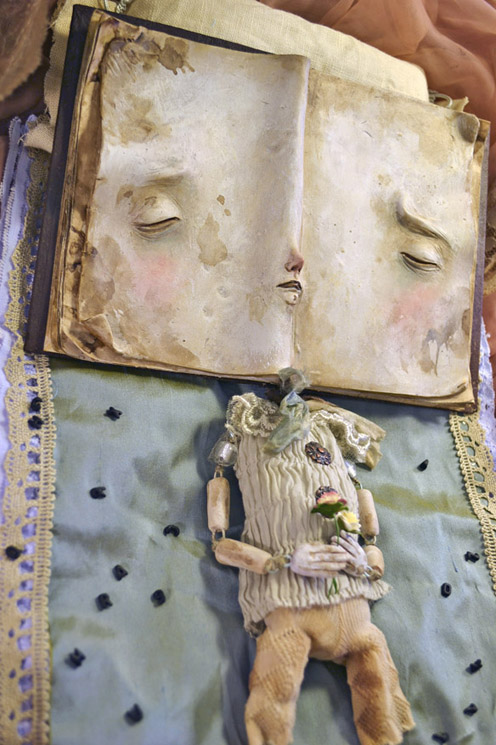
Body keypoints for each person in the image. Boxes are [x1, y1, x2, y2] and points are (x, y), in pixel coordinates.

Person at [207, 369, 414, 745]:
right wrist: (284, 561)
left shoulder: (326, 427)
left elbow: (370, 545)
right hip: (289, 600)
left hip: (352, 601)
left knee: (372, 657)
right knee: (276, 684)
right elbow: (221, 545)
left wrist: (364, 562)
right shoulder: (248, 426)